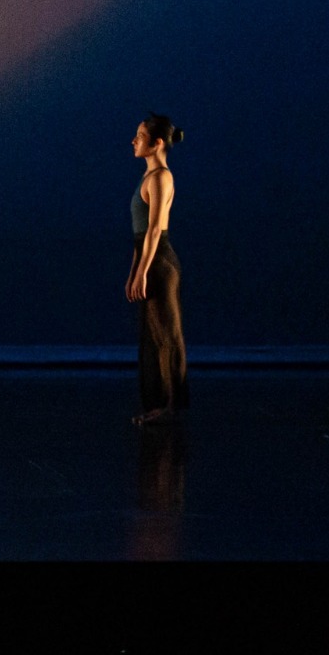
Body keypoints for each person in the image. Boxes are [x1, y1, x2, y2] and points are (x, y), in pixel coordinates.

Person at [127, 113, 188, 425]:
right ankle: (158, 405)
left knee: (166, 336)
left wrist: (143, 272)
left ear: (157, 143)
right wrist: (134, 270)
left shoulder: (162, 178)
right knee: (153, 337)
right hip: (149, 259)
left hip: (160, 263)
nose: (134, 141)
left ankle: (169, 407)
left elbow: (154, 232)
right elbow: (140, 237)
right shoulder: (148, 178)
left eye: (140, 135)